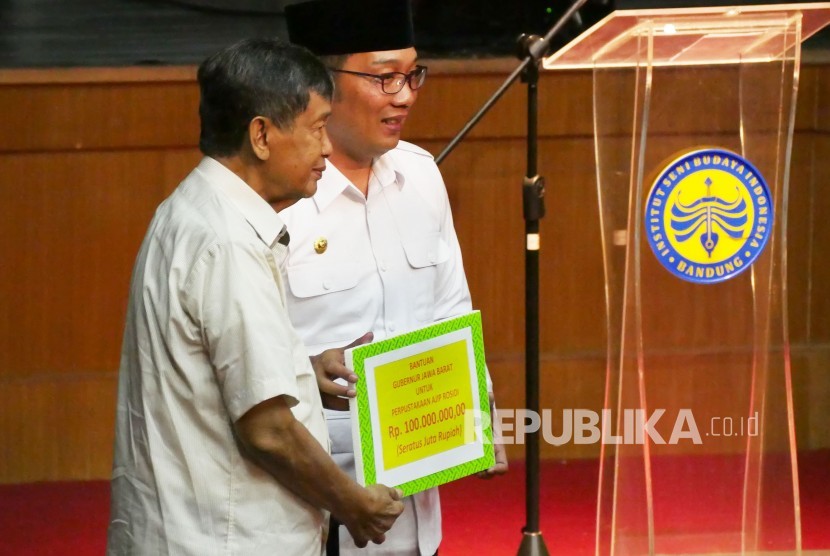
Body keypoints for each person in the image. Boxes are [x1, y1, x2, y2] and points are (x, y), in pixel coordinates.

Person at [106, 38, 404, 556]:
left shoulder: (190, 209)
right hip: (224, 539)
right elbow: (267, 431)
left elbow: (203, 369)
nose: (328, 149)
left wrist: (297, 372)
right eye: (316, 128)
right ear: (261, 135)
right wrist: (353, 503)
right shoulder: (228, 242)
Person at [283, 2, 508, 554]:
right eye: (385, 77)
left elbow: (452, 312)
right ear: (321, 83)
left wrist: (478, 409)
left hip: (413, 509)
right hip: (311, 509)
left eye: (413, 74)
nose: (405, 94)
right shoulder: (279, 201)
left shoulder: (421, 175)